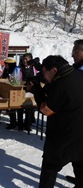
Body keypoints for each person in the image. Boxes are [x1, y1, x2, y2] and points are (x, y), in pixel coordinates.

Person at [31, 55, 83, 188]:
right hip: (80, 132)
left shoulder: (60, 84)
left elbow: (46, 110)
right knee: (80, 162)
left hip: (63, 135)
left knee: (50, 166)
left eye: (44, 72)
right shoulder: (78, 74)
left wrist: (37, 91)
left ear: (54, 70)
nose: (43, 75)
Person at [64, 39, 83, 185]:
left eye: (76, 52)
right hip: (76, 119)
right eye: (72, 51)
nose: (72, 54)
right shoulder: (76, 68)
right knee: (77, 154)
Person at [16, 53, 40, 131]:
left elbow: (37, 78)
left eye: (26, 59)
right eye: (23, 59)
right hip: (21, 89)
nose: (24, 61)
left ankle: (27, 125)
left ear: (30, 60)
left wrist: (32, 85)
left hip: (32, 90)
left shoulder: (34, 68)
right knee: (19, 107)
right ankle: (20, 124)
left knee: (29, 108)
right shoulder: (19, 68)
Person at [0, 58, 18, 129]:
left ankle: (13, 123)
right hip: (5, 90)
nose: (6, 66)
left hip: (13, 91)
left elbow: (16, 80)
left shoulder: (16, 70)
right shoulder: (6, 70)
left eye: (7, 64)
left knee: (12, 108)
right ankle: (11, 122)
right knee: (8, 108)